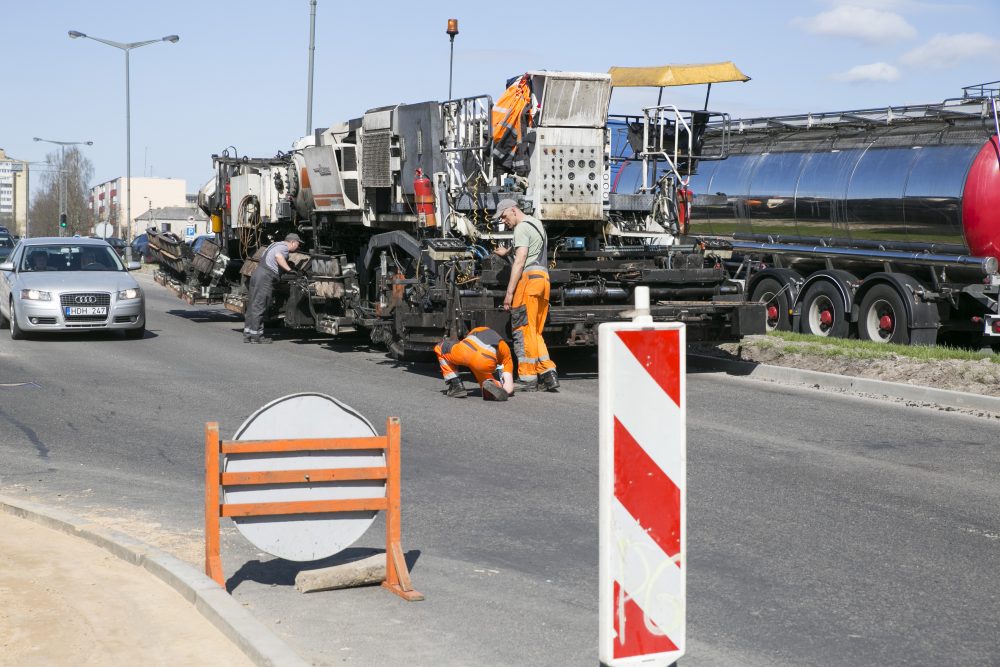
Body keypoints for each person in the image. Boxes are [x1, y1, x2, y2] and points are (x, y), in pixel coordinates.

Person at [492, 199, 559, 392]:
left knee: (523, 329)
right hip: (543, 279)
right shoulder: (536, 224)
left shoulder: (520, 228)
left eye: (504, 216)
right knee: (535, 331)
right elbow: (529, 247)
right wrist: (508, 251)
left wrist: (509, 293)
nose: (503, 221)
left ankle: (528, 378)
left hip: (528, 281)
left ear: (513, 210)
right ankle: (549, 374)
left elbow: (521, 261)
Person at [244, 232, 302, 343]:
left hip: (257, 273)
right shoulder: (283, 248)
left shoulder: (274, 244)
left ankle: (248, 334)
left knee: (253, 305)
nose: (298, 247)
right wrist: (289, 270)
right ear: (293, 242)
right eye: (298, 244)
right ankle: (257, 337)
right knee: (260, 306)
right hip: (265, 277)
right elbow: (278, 256)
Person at [434, 327, 515, 401]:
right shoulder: (506, 351)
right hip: (485, 362)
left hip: (466, 351)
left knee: (439, 348)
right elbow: (509, 387)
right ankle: (495, 384)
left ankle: (456, 385)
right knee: (484, 375)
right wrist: (506, 391)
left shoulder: (480, 329)